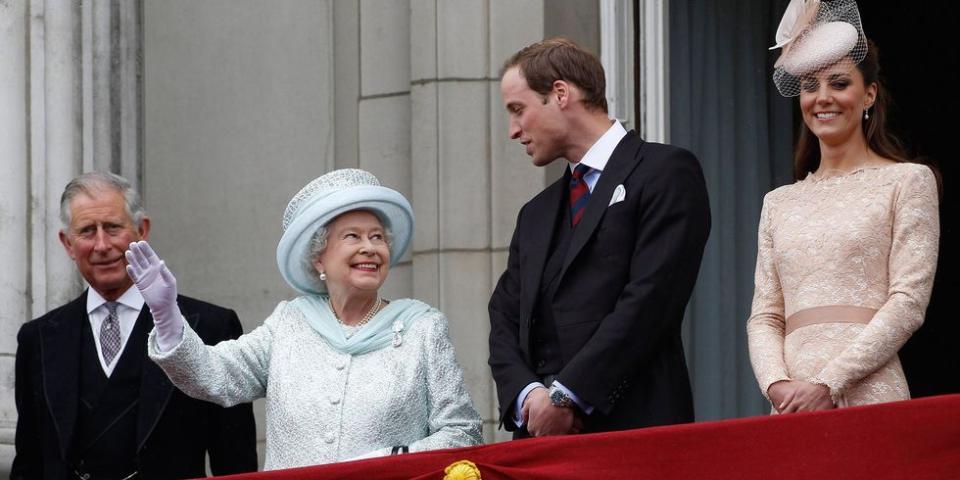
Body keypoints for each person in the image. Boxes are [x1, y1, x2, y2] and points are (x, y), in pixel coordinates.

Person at [125, 168, 482, 470]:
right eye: (352, 237)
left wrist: (394, 459)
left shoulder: (423, 328)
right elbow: (214, 377)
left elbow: (463, 431)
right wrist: (167, 315)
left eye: (377, 237)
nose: (369, 247)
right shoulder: (288, 324)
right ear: (319, 259)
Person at [488, 38, 711, 438]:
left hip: (638, 436)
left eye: (518, 110)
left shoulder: (666, 172)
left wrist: (567, 397)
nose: (513, 130)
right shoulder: (535, 214)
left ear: (560, 94)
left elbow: (650, 300)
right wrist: (530, 399)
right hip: (540, 445)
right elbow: (504, 319)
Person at [748, 0, 940, 413]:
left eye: (839, 83)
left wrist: (828, 383)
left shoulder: (906, 181)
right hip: (792, 405)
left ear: (868, 93)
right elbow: (765, 316)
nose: (823, 98)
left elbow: (908, 302)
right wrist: (777, 386)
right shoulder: (778, 202)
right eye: (810, 86)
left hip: (870, 392)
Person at [12, 171, 258, 479]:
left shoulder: (210, 328)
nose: (101, 245)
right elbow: (29, 463)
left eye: (113, 228)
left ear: (142, 230)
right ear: (68, 244)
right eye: (87, 231)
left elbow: (235, 464)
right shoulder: (39, 339)